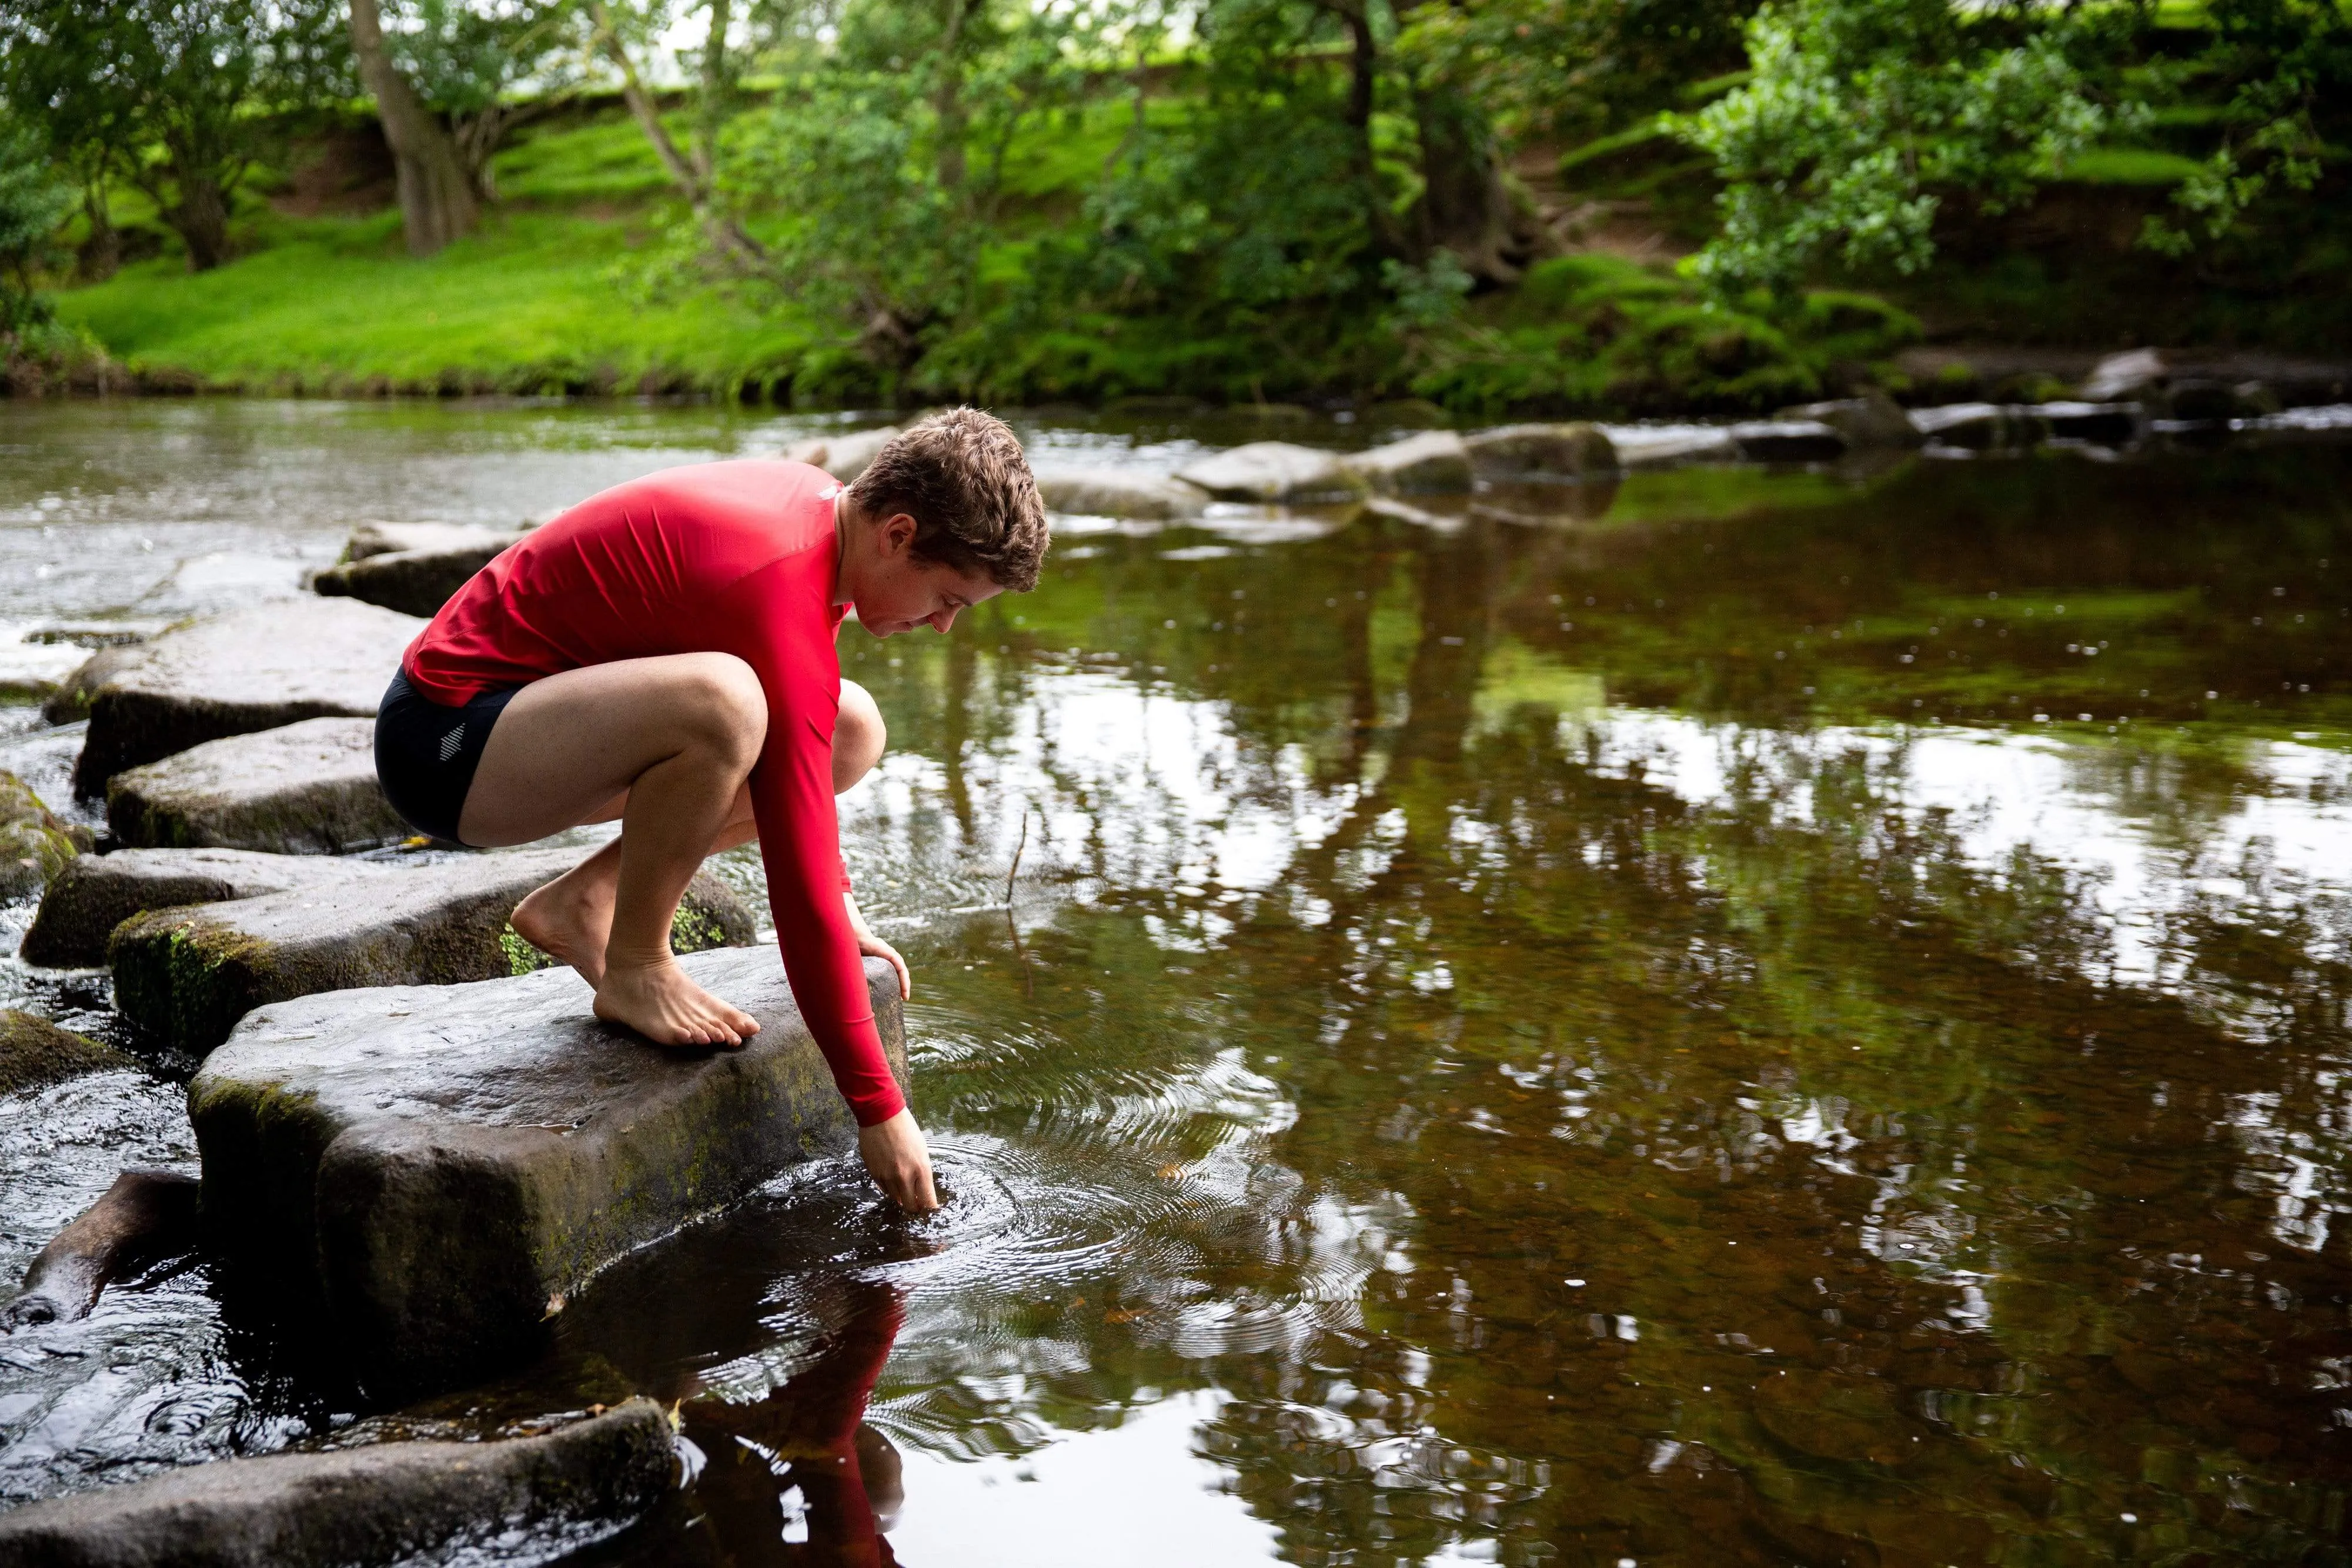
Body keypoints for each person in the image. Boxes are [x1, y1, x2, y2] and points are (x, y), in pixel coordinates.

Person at [372, 409, 1048, 1215]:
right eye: (948, 599)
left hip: (533, 728)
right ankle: (637, 966)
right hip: (444, 743)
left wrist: (840, 902)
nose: (942, 626)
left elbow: (806, 787)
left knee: (853, 728)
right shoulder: (774, 581)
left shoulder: (821, 512)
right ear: (897, 533)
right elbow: (792, 880)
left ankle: (584, 903)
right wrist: (880, 1109)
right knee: (723, 707)